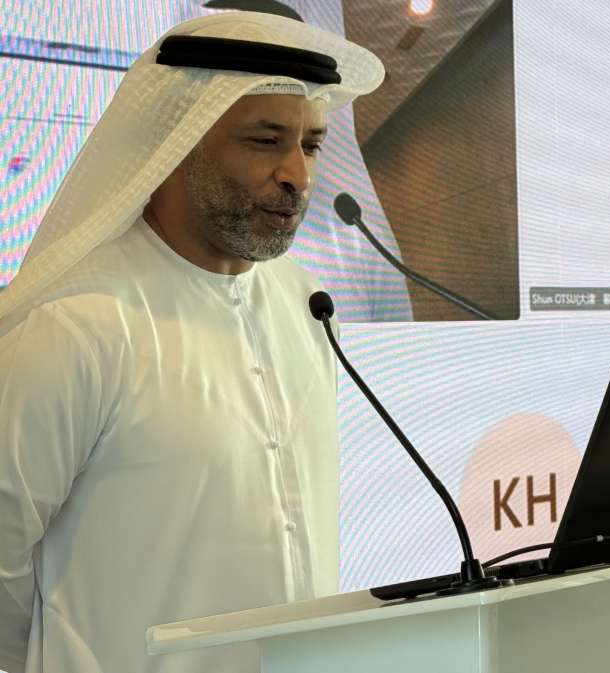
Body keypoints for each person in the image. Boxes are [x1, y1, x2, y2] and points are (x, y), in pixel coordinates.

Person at [0, 12, 383, 673]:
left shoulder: (307, 303)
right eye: (265, 140)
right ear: (177, 141)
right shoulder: (78, 325)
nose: (297, 174)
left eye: (311, 145)